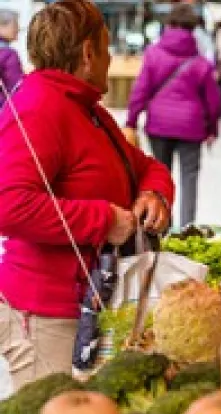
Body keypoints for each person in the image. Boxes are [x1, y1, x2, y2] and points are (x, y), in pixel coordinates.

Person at [0, 0, 173, 389]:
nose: (111, 59)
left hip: (90, 303)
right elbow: (8, 206)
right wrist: (104, 220)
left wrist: (153, 193)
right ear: (88, 52)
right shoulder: (38, 107)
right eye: (107, 48)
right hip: (48, 314)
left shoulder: (85, 108)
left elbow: (145, 165)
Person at [125, 3, 221, 230]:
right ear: (194, 29)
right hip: (191, 127)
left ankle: (162, 227)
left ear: (168, 25)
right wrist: (212, 129)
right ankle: (187, 229)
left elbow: (141, 89)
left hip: (159, 125)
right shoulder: (201, 63)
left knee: (160, 177)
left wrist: (131, 120)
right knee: (189, 177)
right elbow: (213, 101)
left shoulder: (153, 54)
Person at [0, 9, 23, 107]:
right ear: (1, 26)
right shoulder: (8, 53)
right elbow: (15, 88)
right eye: (15, 25)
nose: (18, 29)